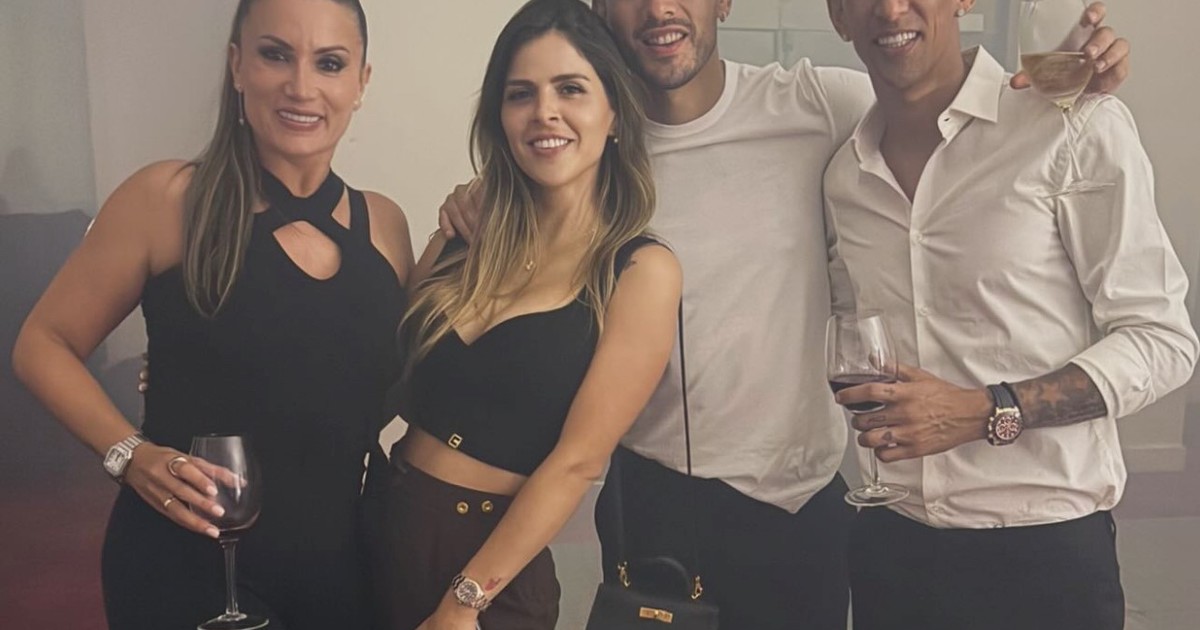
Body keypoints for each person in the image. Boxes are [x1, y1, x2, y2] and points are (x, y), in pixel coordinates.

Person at [438, 1, 1132, 627]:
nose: (658, 9)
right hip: (653, 498)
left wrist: (1064, 79)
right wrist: (480, 193)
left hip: (800, 508)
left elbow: (935, 94)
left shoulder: (820, 105)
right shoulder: (596, 141)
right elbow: (530, 182)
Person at [11, 0, 413, 627]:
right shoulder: (167, 199)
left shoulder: (384, 225)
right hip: (186, 566)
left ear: (361, 82)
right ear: (237, 65)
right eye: (275, 54)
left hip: (340, 572)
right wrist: (129, 454)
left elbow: (368, 389)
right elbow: (43, 343)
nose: (301, 85)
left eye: (330, 63)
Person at [821, 1, 1198, 629]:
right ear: (838, 15)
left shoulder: (1070, 124)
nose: (889, 8)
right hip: (892, 545)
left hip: (1044, 554)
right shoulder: (845, 178)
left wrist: (983, 409)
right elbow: (850, 332)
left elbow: (1162, 340)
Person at [361, 1, 682, 629]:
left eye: (571, 89)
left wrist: (462, 604)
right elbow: (386, 374)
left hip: (487, 576)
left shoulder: (640, 271)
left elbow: (578, 462)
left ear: (615, 113)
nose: (544, 112)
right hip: (380, 526)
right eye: (521, 94)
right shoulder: (464, 233)